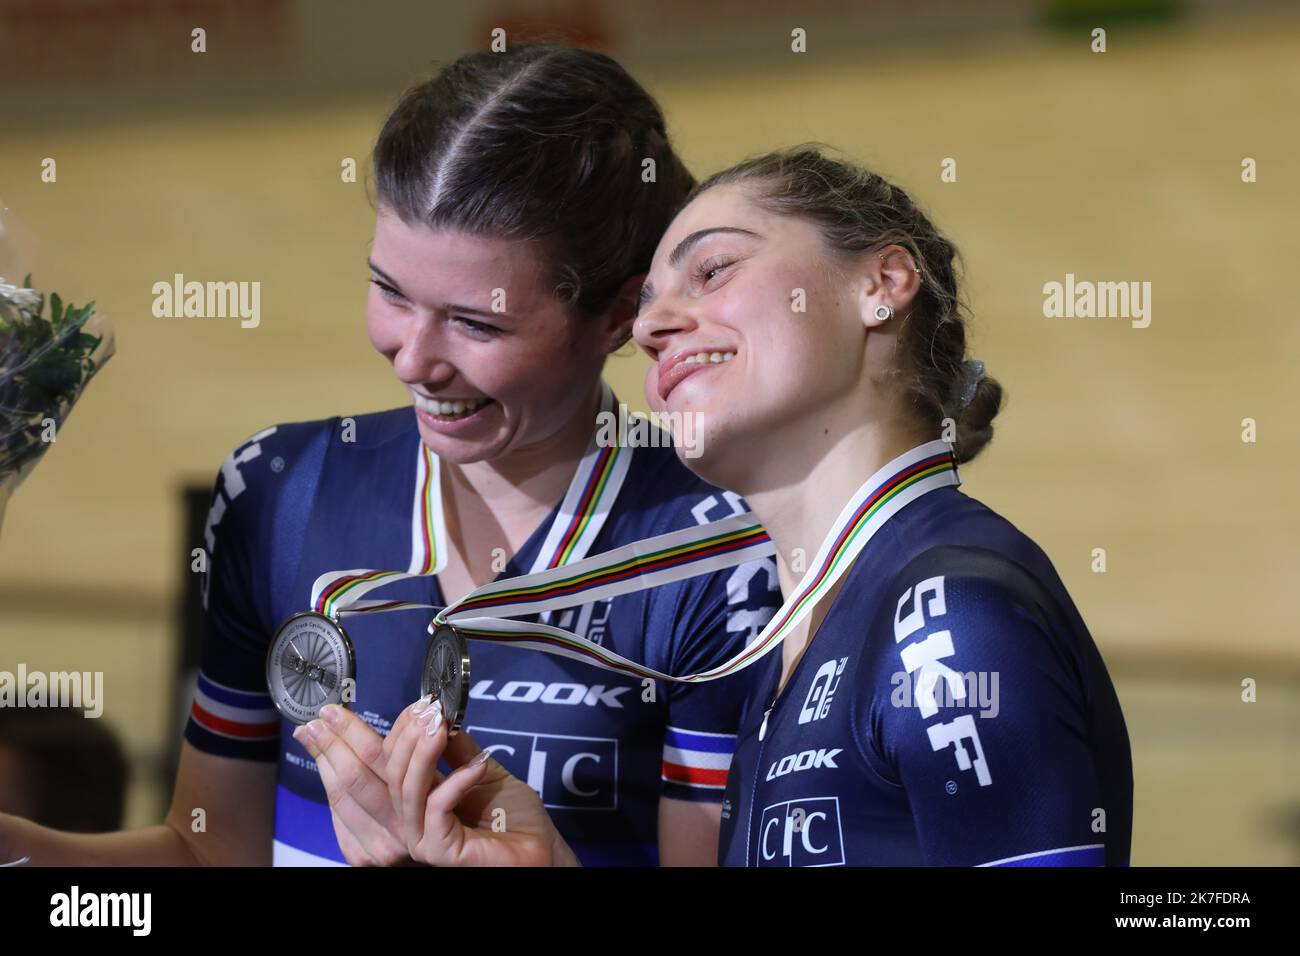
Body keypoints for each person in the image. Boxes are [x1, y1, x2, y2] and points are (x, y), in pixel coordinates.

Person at [0, 45, 780, 868]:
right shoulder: (279, 491)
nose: (414, 358)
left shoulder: (714, 550)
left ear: (620, 313)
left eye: (477, 324)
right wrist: (19, 854)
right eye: (389, 291)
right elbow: (207, 856)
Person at [375, 145, 1134, 867]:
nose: (647, 326)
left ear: (882, 283)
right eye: (645, 304)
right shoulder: (796, 640)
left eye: (711, 269)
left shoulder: (948, 615)